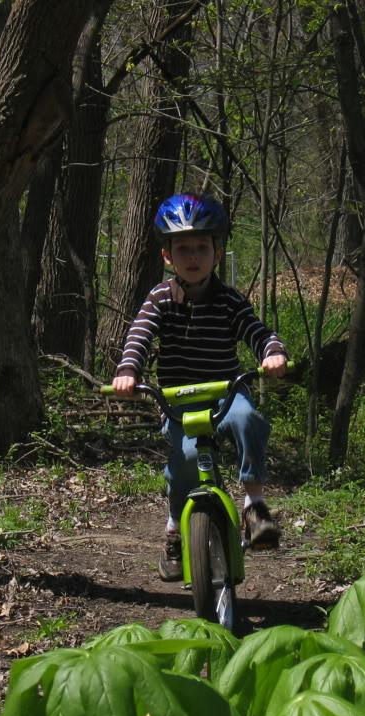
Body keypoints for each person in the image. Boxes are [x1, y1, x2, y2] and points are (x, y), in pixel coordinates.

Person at [111, 192, 288, 581]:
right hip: (178, 402)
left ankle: (255, 506)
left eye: (202, 248)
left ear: (217, 253)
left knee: (249, 420)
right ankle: (175, 530)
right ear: (168, 256)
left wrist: (273, 353)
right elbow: (138, 337)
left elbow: (257, 332)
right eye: (183, 248)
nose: (193, 257)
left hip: (226, 393)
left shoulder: (229, 300)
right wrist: (128, 371)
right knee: (183, 464)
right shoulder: (159, 298)